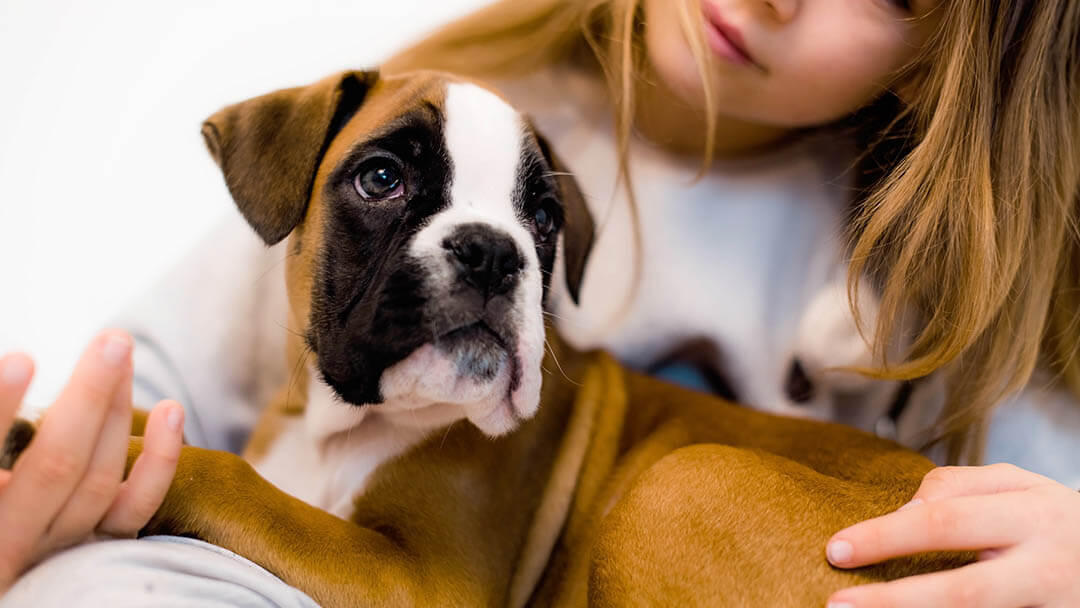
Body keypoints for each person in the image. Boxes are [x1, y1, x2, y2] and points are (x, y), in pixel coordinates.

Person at [3, 0, 1079, 605]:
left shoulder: (934, 267)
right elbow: (142, 403)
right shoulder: (387, 112)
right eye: (385, 184)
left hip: (820, 564)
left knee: (675, 500)